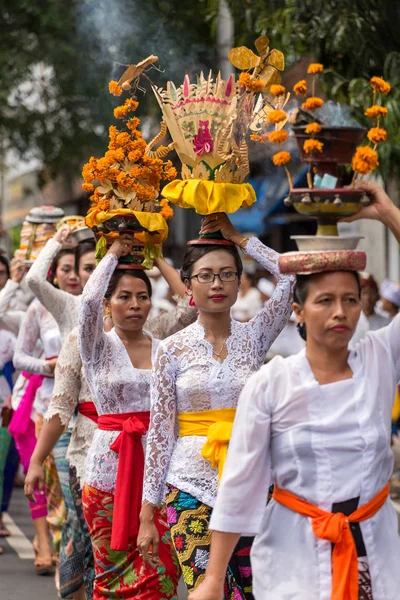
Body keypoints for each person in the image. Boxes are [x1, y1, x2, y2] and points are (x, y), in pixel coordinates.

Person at [189, 181, 400, 600]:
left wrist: (389, 214)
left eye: (350, 300)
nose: (340, 312)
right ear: (298, 311)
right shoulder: (273, 383)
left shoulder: (380, 358)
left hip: (377, 550)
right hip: (294, 556)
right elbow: (240, 483)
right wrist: (213, 577)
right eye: (325, 301)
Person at [138, 214, 295, 598]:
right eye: (205, 275)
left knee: (253, 587)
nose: (217, 284)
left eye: (227, 275)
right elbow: (160, 430)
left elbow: (290, 277)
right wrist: (147, 511)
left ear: (240, 284)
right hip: (188, 483)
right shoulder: (171, 349)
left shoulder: (255, 336)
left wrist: (240, 238)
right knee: (208, 589)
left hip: (252, 477)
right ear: (188, 286)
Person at [78, 234, 196, 600]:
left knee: (161, 577)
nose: (135, 305)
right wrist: (113, 253)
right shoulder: (97, 346)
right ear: (108, 303)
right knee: (110, 578)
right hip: (106, 473)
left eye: (142, 296)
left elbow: (191, 304)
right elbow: (86, 303)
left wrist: (158, 256)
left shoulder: (167, 349)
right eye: (124, 297)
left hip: (161, 474)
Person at [12, 245, 80, 580]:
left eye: (77, 269)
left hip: (86, 414)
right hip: (47, 410)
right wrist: (48, 365)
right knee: (50, 486)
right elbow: (19, 358)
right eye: (65, 268)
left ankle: (72, 561)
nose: (72, 276)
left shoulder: (99, 307)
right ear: (53, 273)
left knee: (75, 494)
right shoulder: (38, 310)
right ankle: (48, 545)